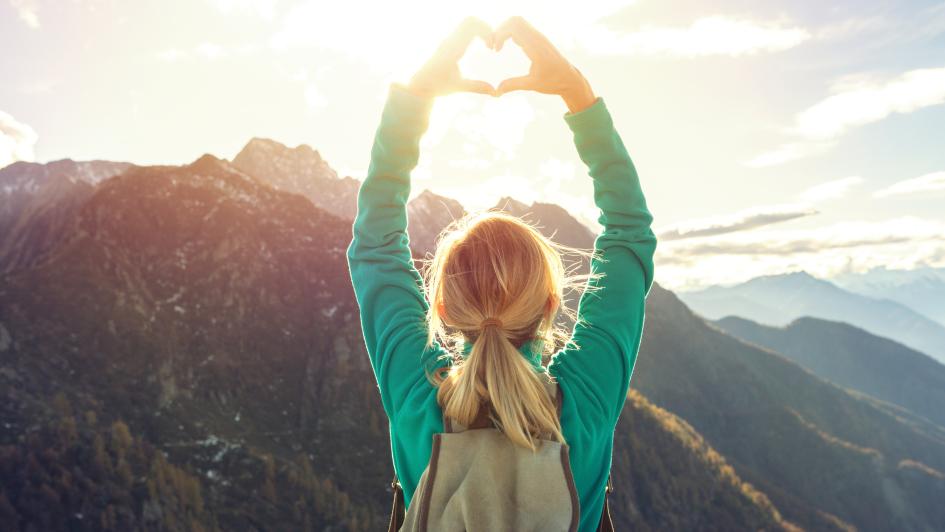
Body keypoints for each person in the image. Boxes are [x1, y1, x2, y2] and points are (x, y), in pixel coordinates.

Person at [346, 16, 657, 532]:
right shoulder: (584, 401)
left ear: (441, 309)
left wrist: (415, 100)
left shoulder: (418, 398)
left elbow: (375, 247)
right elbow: (630, 234)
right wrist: (576, 95)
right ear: (552, 305)